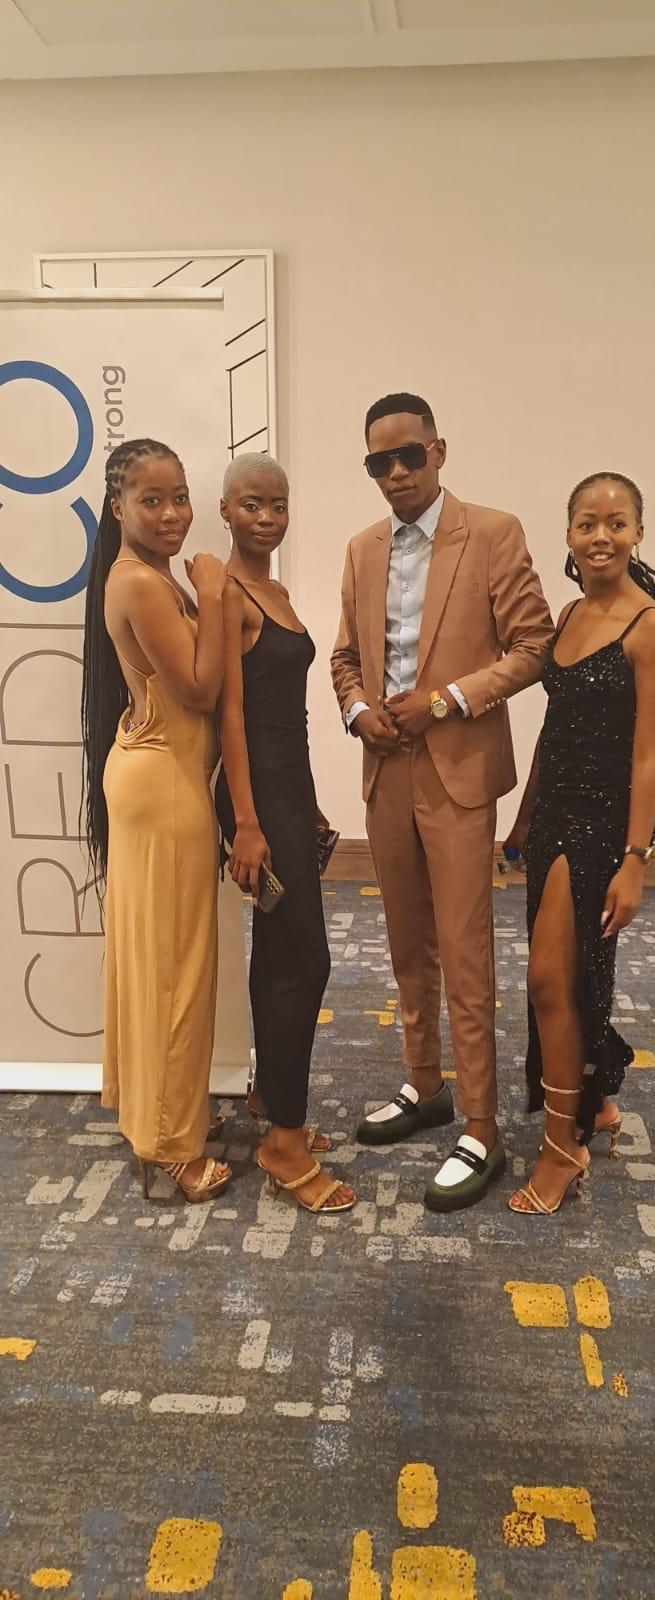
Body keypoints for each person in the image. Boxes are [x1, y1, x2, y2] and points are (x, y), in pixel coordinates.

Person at [331, 393, 554, 1212]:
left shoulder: (491, 533)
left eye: (408, 456)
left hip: (457, 769)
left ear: (439, 450)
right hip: (385, 770)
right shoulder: (361, 549)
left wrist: (448, 699)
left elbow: (534, 645)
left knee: (464, 952)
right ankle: (424, 1084)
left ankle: (482, 1124)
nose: (394, 473)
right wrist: (358, 710)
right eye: (378, 462)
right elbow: (345, 658)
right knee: (406, 943)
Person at [505, 471, 655, 1216]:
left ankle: (562, 1148)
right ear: (569, 533)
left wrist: (637, 859)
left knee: (551, 981)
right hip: (552, 819)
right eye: (587, 523)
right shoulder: (572, 612)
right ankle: (597, 1098)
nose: (600, 536)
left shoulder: (652, 627)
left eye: (615, 522)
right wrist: (524, 813)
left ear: (638, 531)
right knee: (567, 979)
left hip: (605, 827)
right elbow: (558, 725)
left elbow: (649, 755)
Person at [81, 438, 231, 1204]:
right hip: (165, 785)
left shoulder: (147, 575)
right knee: (176, 966)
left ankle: (160, 1116)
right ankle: (172, 1146)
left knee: (158, 958)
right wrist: (217, 595)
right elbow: (201, 689)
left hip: (160, 775)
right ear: (119, 507)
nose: (172, 514)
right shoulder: (142, 582)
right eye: (152, 500)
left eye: (180, 497)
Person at [215, 453, 355, 1215]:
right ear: (225, 510)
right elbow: (230, 715)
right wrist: (247, 820)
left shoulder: (277, 592)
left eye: (277, 505)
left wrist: (307, 802)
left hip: (285, 786)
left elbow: (285, 715)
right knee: (306, 959)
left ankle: (273, 1100)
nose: (266, 518)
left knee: (278, 953)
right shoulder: (227, 593)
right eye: (251, 505)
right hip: (255, 795)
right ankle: (286, 1145)